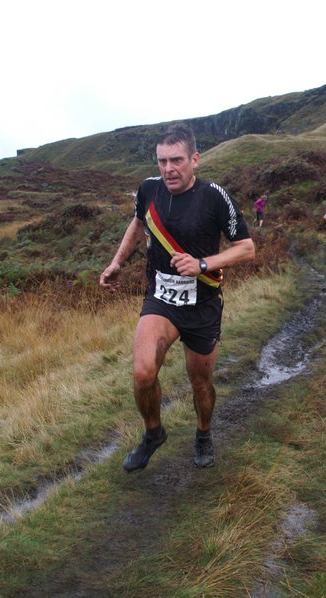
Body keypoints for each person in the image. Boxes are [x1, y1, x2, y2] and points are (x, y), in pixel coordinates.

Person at [99, 123, 255, 472]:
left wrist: (203, 264)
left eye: (177, 160)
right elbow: (138, 223)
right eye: (162, 161)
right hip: (161, 300)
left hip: (203, 304)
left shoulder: (215, 197)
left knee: (200, 382)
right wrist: (116, 263)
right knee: (143, 372)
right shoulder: (148, 190)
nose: (168, 169)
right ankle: (153, 433)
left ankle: (203, 434)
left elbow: (247, 249)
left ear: (195, 159)